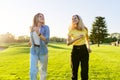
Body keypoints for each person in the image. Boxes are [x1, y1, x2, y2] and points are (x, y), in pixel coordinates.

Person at [67, 14, 91, 80]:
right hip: (75, 51)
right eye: (72, 19)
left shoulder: (85, 29)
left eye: (75, 18)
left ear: (79, 19)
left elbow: (87, 40)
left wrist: (88, 47)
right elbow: (68, 43)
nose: (73, 20)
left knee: (85, 71)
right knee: (74, 71)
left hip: (84, 50)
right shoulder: (71, 30)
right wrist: (77, 38)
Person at [29, 13, 50, 80]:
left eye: (43, 16)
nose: (42, 17)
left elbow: (46, 40)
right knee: (32, 71)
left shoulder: (46, 27)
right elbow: (31, 40)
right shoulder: (32, 28)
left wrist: (38, 33)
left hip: (43, 51)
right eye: (40, 16)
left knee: (43, 71)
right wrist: (30, 42)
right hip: (34, 50)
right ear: (36, 18)